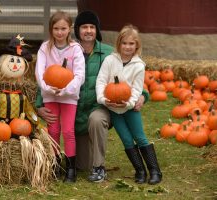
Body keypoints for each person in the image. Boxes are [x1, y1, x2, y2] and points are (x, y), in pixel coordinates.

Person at [36, 10, 149, 183]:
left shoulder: (110, 53)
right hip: (74, 113)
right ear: (77, 30)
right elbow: (50, 76)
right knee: (82, 165)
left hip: (98, 109)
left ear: (97, 30)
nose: (88, 30)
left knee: (96, 119)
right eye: (84, 27)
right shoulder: (67, 50)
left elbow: (131, 74)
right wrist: (39, 104)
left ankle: (99, 167)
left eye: (92, 27)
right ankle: (67, 162)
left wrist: (142, 95)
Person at [96, 24, 162, 185]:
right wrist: (103, 100)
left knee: (140, 138)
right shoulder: (110, 60)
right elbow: (101, 81)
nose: (127, 47)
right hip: (112, 107)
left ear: (136, 46)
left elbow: (137, 89)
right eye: (124, 43)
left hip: (130, 108)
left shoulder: (139, 66)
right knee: (126, 139)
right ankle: (140, 170)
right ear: (119, 44)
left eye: (131, 44)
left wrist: (129, 103)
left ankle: (155, 170)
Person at [35, 11, 85, 183]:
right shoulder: (45, 48)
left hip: (69, 96)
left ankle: (71, 167)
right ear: (51, 29)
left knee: (68, 131)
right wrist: (47, 87)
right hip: (50, 95)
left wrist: (65, 90)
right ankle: (56, 164)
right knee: (53, 130)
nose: (59, 32)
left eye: (63, 28)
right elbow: (40, 72)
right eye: (56, 28)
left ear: (69, 28)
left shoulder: (75, 49)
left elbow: (79, 75)